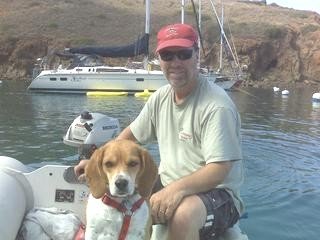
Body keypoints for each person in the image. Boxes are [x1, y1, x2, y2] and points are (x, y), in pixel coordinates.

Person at [75, 23, 245, 240]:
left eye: (183, 54)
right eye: (167, 55)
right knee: (101, 198)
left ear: (197, 55)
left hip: (218, 194)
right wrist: (93, 163)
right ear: (159, 60)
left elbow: (219, 170)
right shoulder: (161, 97)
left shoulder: (216, 105)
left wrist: (175, 191)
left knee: (183, 216)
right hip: (168, 182)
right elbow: (125, 140)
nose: (175, 63)